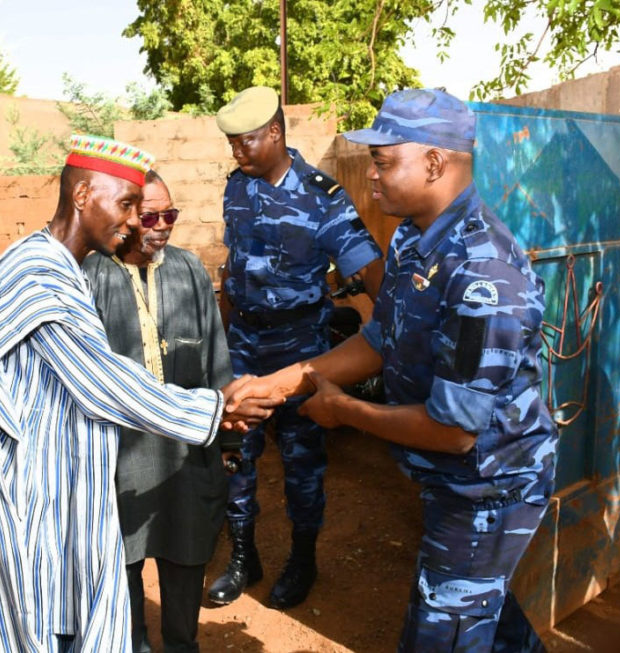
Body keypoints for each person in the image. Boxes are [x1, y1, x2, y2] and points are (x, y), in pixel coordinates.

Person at [228, 89, 558, 651]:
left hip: (488, 486)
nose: (372, 177)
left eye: (383, 162)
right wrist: (275, 383)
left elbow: (454, 431)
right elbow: (381, 337)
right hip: (449, 479)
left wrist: (345, 411)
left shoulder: (483, 273)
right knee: (489, 621)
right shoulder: (413, 236)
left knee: (440, 632)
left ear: (435, 162)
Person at [0, 135, 274, 653]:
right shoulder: (37, 275)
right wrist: (215, 408)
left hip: (58, 491)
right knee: (26, 623)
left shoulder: (57, 266)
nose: (134, 222)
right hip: (28, 500)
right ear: (81, 197)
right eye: (125, 205)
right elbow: (102, 383)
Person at [209, 86, 385, 610]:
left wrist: (403, 328)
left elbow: (367, 267)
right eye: (232, 144)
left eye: (245, 142)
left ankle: (302, 557)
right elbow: (232, 266)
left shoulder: (320, 195)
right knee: (236, 451)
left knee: (303, 459)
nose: (237, 153)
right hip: (244, 340)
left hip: (301, 345)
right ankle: (244, 556)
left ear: (276, 134)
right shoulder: (236, 189)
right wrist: (222, 338)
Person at [82, 170, 234, 652]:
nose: (163, 226)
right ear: (126, 217)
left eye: (171, 215)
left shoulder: (189, 270)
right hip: (119, 461)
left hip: (185, 457)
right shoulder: (93, 276)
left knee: (186, 559)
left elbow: (216, 359)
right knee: (120, 572)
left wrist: (226, 442)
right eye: (151, 216)